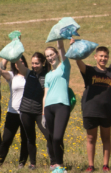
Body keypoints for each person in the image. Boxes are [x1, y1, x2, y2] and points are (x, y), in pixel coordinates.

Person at [75, 46, 111, 172]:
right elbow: (78, 61)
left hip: (107, 110)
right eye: (101, 56)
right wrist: (74, 47)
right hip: (90, 109)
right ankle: (91, 165)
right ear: (95, 57)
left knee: (106, 138)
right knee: (91, 138)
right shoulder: (90, 70)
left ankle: (105, 165)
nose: (103, 58)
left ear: (108, 58)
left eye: (105, 56)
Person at [18, 52, 53, 169]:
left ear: (43, 63)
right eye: (32, 63)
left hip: (39, 112)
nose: (34, 65)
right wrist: (16, 47)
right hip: (26, 110)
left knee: (49, 136)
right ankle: (32, 163)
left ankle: (54, 161)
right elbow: (18, 63)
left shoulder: (48, 75)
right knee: (30, 138)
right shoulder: (29, 73)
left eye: (37, 63)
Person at [0, 54, 29, 169]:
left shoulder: (29, 74)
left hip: (27, 112)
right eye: (16, 62)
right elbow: (0, 71)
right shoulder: (11, 75)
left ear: (24, 62)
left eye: (21, 61)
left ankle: (22, 163)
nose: (19, 64)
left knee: (25, 140)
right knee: (7, 139)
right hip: (12, 112)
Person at [43, 40, 70, 173]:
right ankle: (58, 165)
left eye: (52, 54)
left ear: (57, 55)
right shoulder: (48, 75)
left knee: (58, 137)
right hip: (48, 107)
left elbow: (62, 49)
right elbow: (45, 95)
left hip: (62, 105)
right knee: (52, 137)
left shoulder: (64, 67)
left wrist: (59, 39)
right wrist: (43, 113)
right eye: (47, 56)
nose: (50, 58)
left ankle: (59, 165)